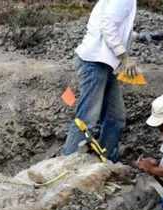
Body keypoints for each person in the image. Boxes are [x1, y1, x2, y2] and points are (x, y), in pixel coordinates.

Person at [62, 0, 139, 162]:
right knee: (87, 119)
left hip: (106, 64)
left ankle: (104, 163)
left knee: (115, 118)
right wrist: (124, 56)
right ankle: (65, 165)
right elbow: (107, 25)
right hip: (94, 62)